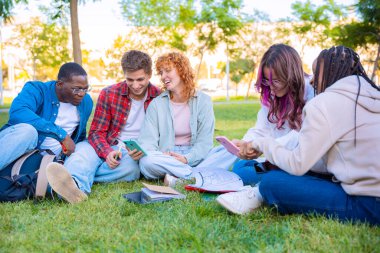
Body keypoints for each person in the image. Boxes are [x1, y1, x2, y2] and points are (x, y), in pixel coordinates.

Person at [217, 46, 380, 226]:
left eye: (316, 73)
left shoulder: (323, 102)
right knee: (243, 168)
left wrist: (262, 144)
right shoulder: (371, 94)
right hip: (342, 180)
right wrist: (249, 143)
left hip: (365, 202)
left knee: (271, 183)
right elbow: (262, 129)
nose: (311, 81)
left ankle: (257, 193)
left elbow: (299, 164)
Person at [47, 50, 161, 197]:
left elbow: (160, 135)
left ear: (149, 75)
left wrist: (144, 149)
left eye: (140, 79)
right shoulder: (109, 93)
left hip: (130, 154)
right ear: (124, 74)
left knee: (132, 170)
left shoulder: (158, 97)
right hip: (103, 144)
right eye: (130, 80)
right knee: (81, 152)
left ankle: (73, 178)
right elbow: (96, 132)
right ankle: (75, 185)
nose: (135, 85)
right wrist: (107, 152)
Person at [196, 44, 316, 184]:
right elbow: (261, 129)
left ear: (290, 76)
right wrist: (246, 143)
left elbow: (300, 139)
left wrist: (261, 145)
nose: (271, 87)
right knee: (241, 166)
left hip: (298, 162)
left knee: (245, 174)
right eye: (267, 80)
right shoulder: (273, 95)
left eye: (276, 81)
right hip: (277, 160)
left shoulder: (312, 93)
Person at [0, 62, 93, 203]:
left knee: (85, 148)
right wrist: (60, 134)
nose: (81, 94)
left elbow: (79, 136)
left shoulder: (86, 102)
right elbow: (18, 112)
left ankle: (71, 187)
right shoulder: (37, 89)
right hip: (17, 151)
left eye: (85, 89)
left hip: (47, 162)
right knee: (28, 131)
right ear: (60, 84)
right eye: (76, 89)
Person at [137, 51, 215, 182]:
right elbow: (148, 142)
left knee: (224, 152)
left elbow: (204, 143)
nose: (163, 76)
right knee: (147, 162)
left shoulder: (204, 101)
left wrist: (187, 159)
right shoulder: (156, 104)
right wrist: (162, 156)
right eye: (161, 73)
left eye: (167, 70)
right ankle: (194, 175)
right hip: (167, 156)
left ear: (182, 70)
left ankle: (178, 175)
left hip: (194, 153)